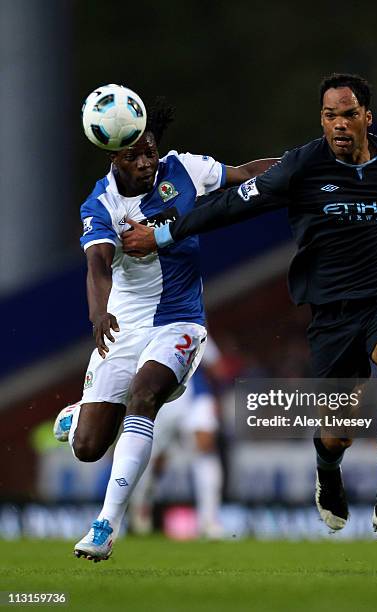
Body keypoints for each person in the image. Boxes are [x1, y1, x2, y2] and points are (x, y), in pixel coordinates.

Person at [121, 74, 377, 542]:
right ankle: (328, 470)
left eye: (347, 114)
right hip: (333, 312)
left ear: (367, 116)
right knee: (337, 434)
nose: (338, 125)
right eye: (329, 116)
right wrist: (163, 233)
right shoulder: (302, 166)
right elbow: (229, 207)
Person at [53, 96, 277, 561]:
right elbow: (97, 265)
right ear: (113, 154)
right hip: (123, 326)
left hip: (180, 321)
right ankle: (80, 415)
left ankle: (105, 526)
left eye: (150, 151)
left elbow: (244, 173)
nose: (146, 162)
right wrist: (98, 315)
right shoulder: (102, 203)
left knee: (144, 396)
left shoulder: (185, 170)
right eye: (133, 155)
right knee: (89, 447)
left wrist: (302, 163)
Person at [130, 343, 224, 539]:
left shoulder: (196, 321)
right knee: (151, 458)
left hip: (196, 394)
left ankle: (209, 521)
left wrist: (216, 396)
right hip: (163, 397)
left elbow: (216, 365)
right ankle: (140, 511)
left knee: (205, 448)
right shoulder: (152, 322)